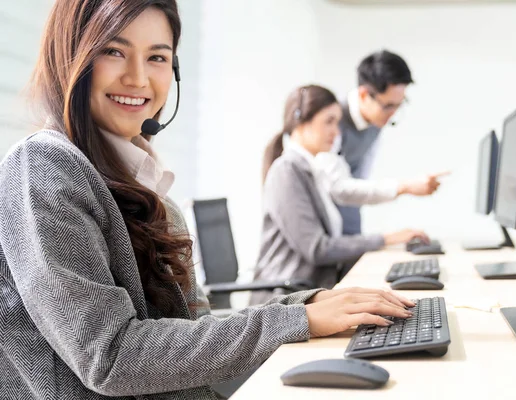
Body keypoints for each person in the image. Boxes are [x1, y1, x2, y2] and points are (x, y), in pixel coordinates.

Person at [0, 1, 415, 399]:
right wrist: (295, 320)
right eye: (114, 51)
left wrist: (306, 306)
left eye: (158, 57)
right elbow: (108, 356)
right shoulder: (43, 166)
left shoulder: (139, 180)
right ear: (70, 57)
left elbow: (192, 329)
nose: (138, 78)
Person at [253, 85, 429, 305]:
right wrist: (386, 239)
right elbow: (317, 248)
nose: (336, 132)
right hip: (284, 302)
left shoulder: (312, 170)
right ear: (301, 121)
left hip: (309, 293)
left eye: (337, 122)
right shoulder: (287, 171)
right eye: (329, 121)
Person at [334, 50, 446, 234]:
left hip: (350, 228)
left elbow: (360, 179)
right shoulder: (332, 121)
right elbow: (337, 187)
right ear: (363, 95)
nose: (393, 113)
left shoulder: (376, 122)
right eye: (388, 106)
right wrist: (406, 186)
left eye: (399, 105)